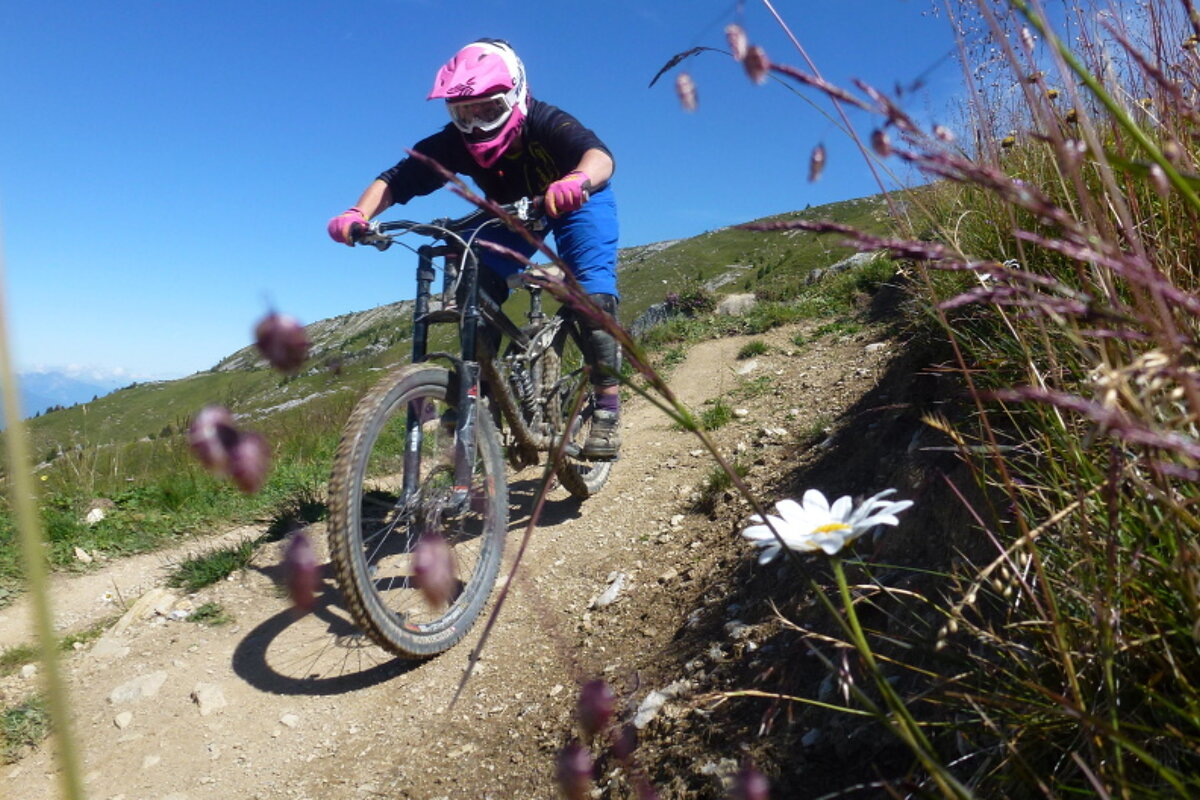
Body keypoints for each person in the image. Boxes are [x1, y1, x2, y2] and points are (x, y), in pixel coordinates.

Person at [327, 38, 622, 460]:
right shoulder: (454, 143)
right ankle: (483, 397)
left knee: (593, 296)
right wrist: (358, 212)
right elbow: (397, 178)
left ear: (517, 96)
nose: (477, 124)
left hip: (576, 200)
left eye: (490, 109)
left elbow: (599, 157)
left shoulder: (545, 121)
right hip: (511, 214)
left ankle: (608, 408)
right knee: (473, 290)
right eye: (464, 113)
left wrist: (577, 181)